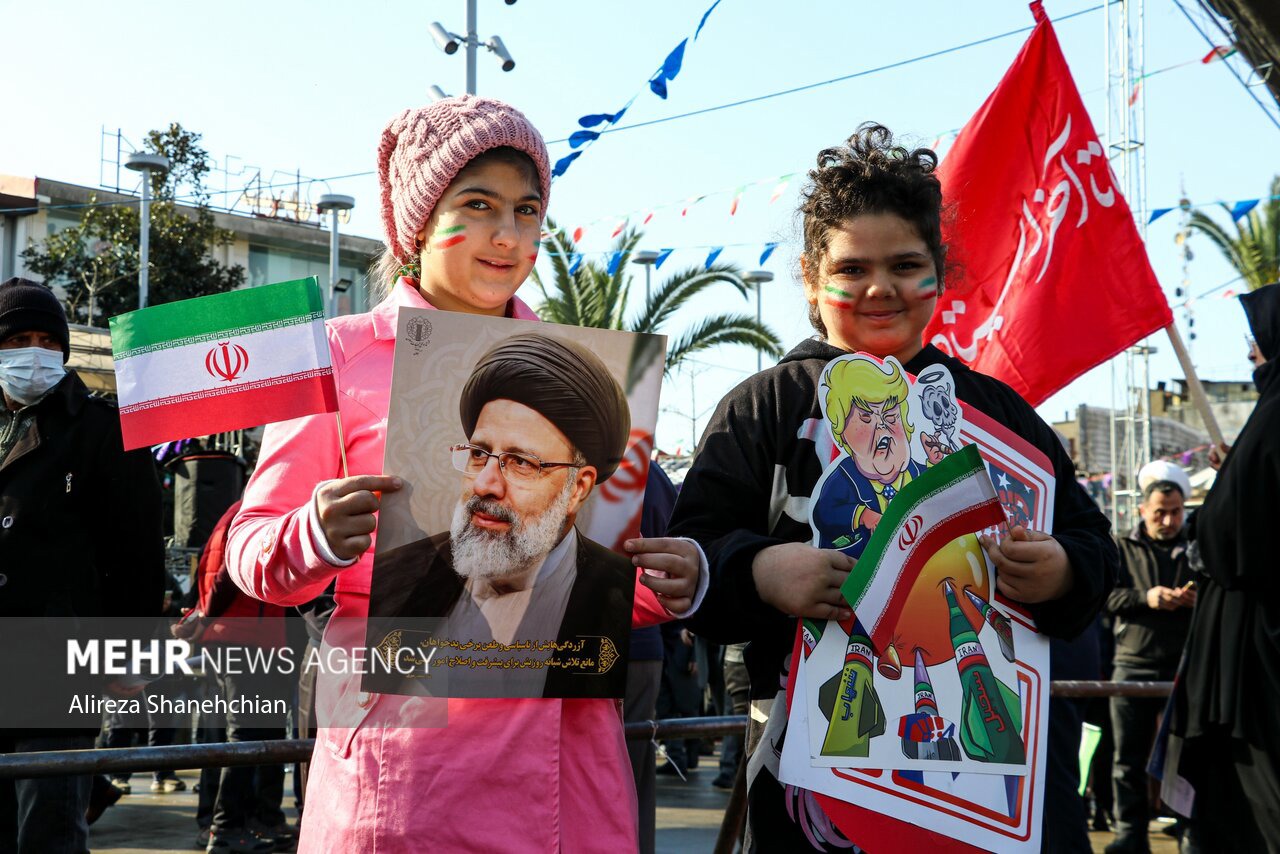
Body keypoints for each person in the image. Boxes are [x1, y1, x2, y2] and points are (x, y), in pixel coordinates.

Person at [226, 96, 705, 852]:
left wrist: (677, 581)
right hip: (403, 766)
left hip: (566, 766)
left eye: (527, 210)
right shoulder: (334, 358)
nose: (507, 235)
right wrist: (312, 534)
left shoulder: (586, 371)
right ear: (420, 222)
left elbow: (609, 578)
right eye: (477, 205)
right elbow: (252, 554)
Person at [667, 124, 1117, 852]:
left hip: (986, 792)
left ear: (940, 271)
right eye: (851, 268)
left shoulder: (1000, 415)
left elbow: (1098, 554)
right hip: (812, 794)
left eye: (906, 264)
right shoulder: (765, 409)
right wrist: (758, 570)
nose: (880, 288)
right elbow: (691, 561)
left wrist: (1063, 567)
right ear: (812, 279)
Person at [370, 333, 636, 699]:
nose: (485, 484)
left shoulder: (621, 592)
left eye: (522, 463)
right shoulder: (395, 575)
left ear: (578, 488)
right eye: (479, 453)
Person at [0, 277, 165, 853]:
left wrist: (132, 657)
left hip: (57, 664)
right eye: (18, 338)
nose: (35, 353)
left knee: (48, 829)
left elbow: (138, 555)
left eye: (49, 339)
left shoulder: (105, 428)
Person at [1165, 283, 1280, 852]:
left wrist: (1223, 507)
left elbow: (1236, 540)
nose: (1251, 353)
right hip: (1240, 653)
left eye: (1256, 341)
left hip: (1257, 662)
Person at [1105, 466, 1195, 853]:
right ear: (1143, 510)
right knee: (1128, 757)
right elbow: (1106, 598)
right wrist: (1148, 597)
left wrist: (1196, 600)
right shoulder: (1121, 548)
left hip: (1186, 666)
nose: (1169, 520)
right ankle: (1130, 833)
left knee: (1188, 757)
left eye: (1175, 511)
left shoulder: (1197, 548)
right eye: (1160, 511)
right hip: (1133, 663)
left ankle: (1189, 831)